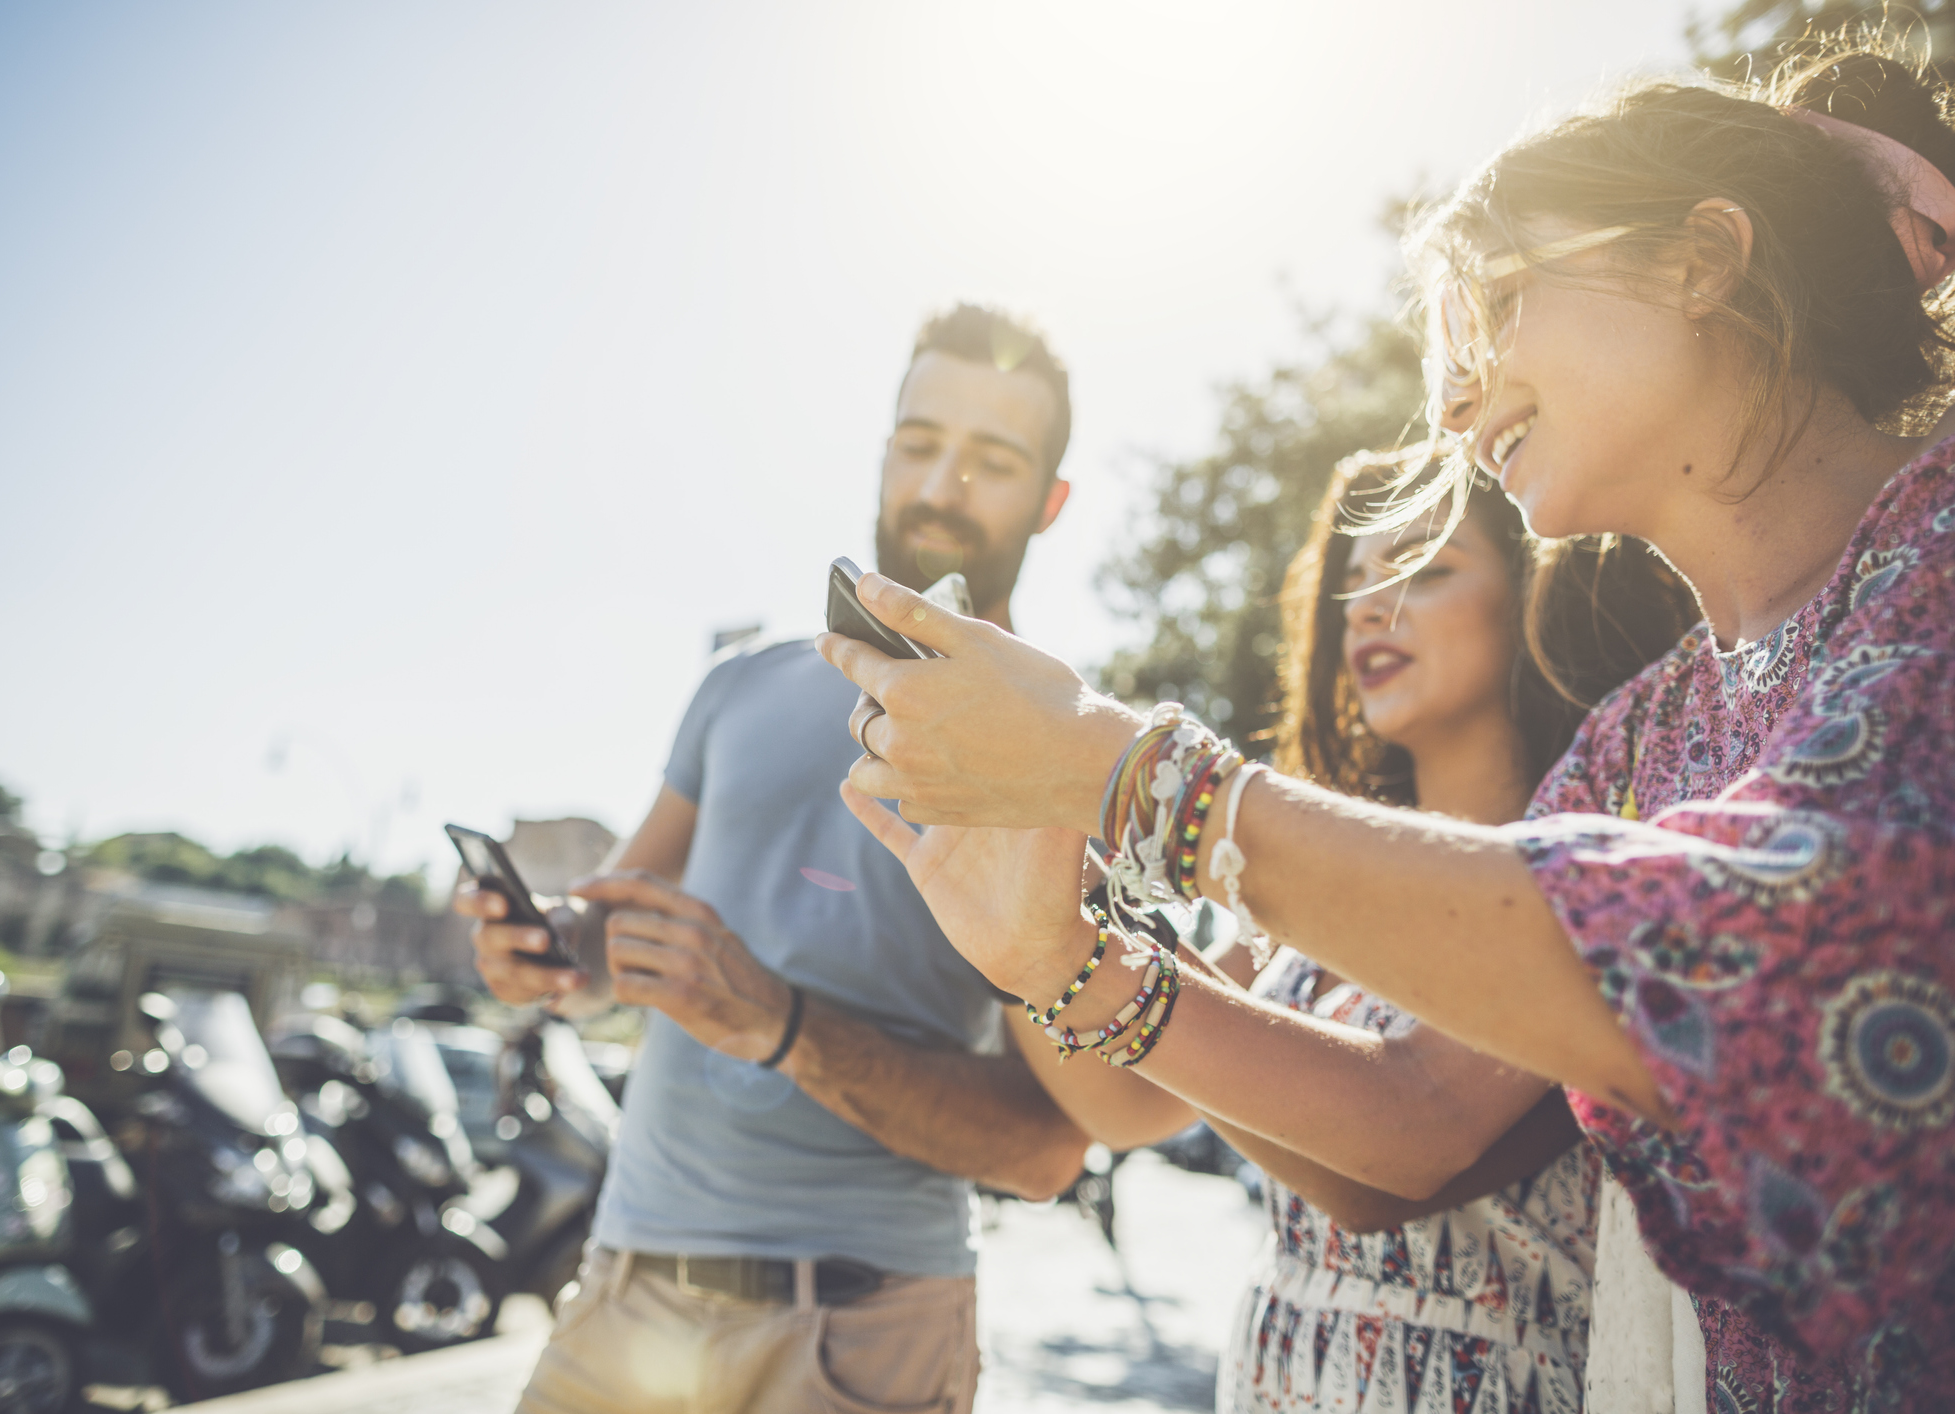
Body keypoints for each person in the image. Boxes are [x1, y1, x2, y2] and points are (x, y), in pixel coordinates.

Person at [817, 43, 1955, 1412]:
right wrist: (1056, 950)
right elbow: (1412, 1116)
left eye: (1501, 306)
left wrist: (1117, 768)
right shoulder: (1642, 739)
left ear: (1699, 259)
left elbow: (1768, 961)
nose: (1460, 403)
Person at [464, 304, 1091, 1414]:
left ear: (1049, 504)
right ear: (883, 454)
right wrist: (543, 948)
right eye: (919, 442)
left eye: (992, 461)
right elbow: (611, 922)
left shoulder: (1066, 752)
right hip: (622, 1300)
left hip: (861, 1335)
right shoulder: (741, 686)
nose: (942, 485)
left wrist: (780, 1022)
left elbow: (1046, 1153)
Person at [999, 457, 1690, 1412]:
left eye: (1424, 568)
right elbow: (1123, 1112)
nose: (1368, 607)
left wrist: (1068, 940)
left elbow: (1391, 1160)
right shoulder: (1303, 901)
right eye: (1356, 581)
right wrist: (1028, 898)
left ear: (1540, 586)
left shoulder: (1581, 869)